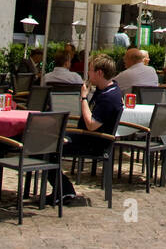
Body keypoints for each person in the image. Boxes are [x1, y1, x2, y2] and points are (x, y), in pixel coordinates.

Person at [51, 54, 125, 206]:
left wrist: (84, 98)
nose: (88, 74)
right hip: (86, 136)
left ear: (99, 73)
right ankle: (62, 189)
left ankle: (64, 190)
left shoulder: (109, 97)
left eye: (90, 70)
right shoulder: (107, 89)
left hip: (93, 142)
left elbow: (91, 124)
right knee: (49, 139)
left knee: (47, 147)